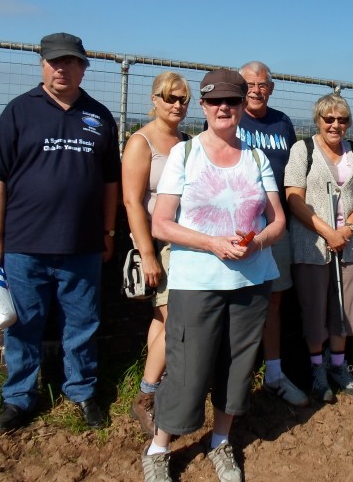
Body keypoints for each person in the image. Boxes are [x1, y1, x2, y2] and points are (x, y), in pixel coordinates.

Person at [142, 69, 286, 482]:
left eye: (233, 101)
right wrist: (213, 243)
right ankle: (158, 447)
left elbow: (275, 221)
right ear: (202, 107)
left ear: (243, 106)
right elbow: (162, 224)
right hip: (196, 283)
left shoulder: (256, 158)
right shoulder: (184, 156)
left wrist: (256, 242)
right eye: (214, 101)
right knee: (188, 369)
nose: (224, 108)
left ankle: (220, 441)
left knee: (237, 367)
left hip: (251, 281)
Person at [0, 32, 121, 432]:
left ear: (83, 67)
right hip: (24, 244)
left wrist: (108, 231)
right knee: (23, 325)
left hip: (83, 244)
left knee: (83, 324)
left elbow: (111, 182)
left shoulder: (99, 116)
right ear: (42, 64)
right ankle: (19, 399)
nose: (62, 68)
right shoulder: (19, 111)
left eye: (71, 62)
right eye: (55, 61)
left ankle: (83, 391)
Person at [284, 93, 353, 402]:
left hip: (349, 244)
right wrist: (327, 232)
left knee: (345, 309)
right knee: (314, 309)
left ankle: (338, 365)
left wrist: (347, 229)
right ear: (318, 121)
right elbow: (294, 197)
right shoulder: (302, 150)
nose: (336, 125)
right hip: (313, 245)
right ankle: (317, 369)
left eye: (342, 119)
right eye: (329, 119)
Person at [122, 71, 191, 436]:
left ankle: (156, 388)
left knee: (162, 320)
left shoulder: (185, 142)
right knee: (176, 317)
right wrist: (146, 252)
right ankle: (147, 396)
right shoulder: (141, 142)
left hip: (182, 243)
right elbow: (132, 200)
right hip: (158, 245)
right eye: (170, 98)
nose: (177, 105)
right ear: (154, 99)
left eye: (183, 99)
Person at [236, 61, 307, 407]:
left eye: (262, 84)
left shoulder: (283, 122)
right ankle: (235, 380)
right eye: (249, 83)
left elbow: (293, 172)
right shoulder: (230, 115)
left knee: (275, 300)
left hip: (277, 225)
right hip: (240, 226)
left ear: (271, 88)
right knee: (237, 301)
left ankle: (275, 376)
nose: (255, 89)